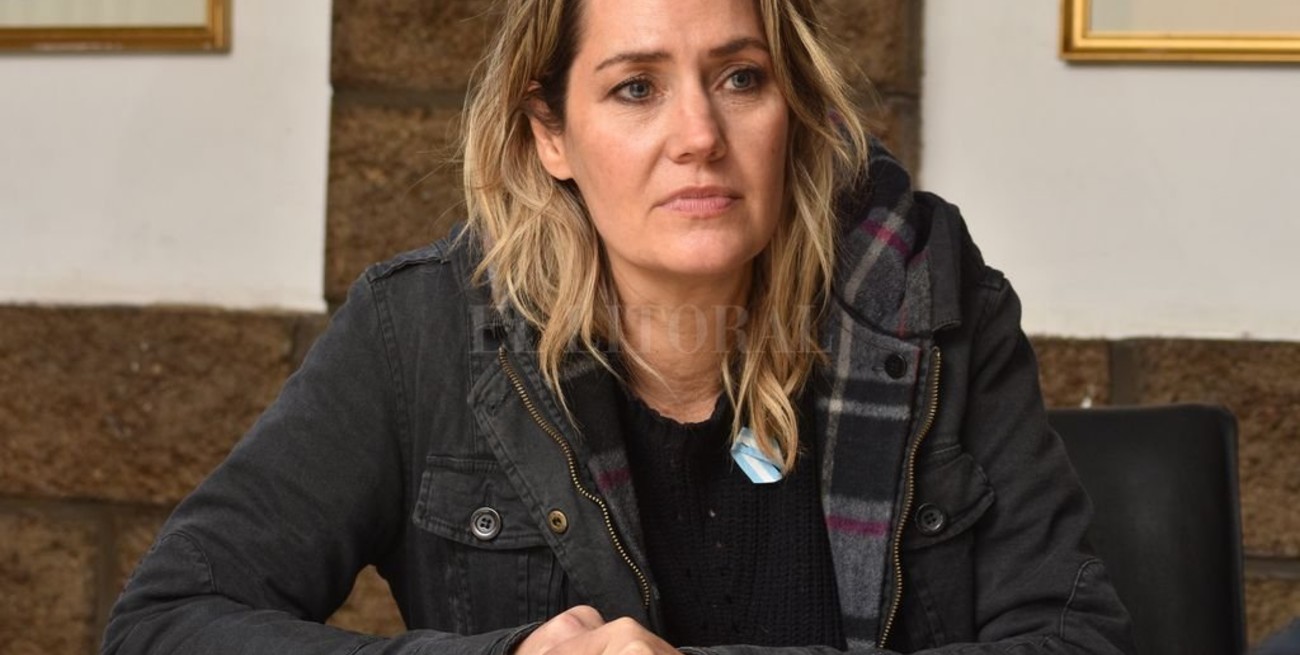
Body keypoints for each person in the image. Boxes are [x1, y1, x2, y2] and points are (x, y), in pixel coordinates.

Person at [103, 0, 1135, 653]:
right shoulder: (418, 333)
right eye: (636, 88)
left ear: (793, 107)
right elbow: (164, 622)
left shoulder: (927, 299)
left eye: (741, 77)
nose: (699, 136)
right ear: (550, 133)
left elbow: (1075, 638)